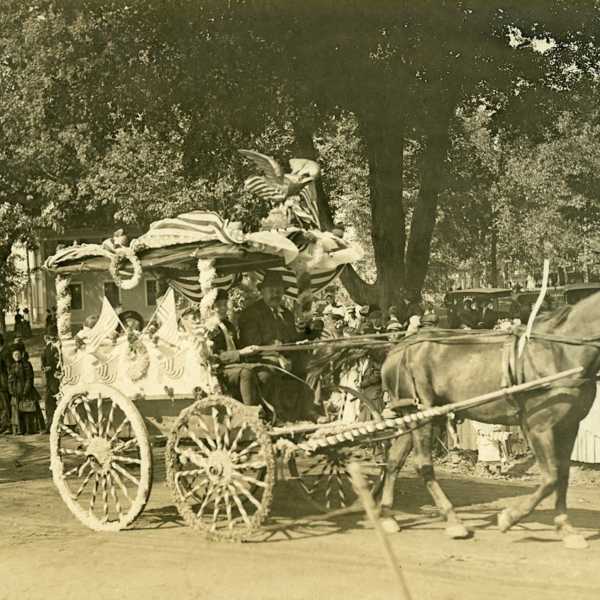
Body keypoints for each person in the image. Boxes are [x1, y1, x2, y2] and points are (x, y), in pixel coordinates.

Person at [238, 270, 318, 421]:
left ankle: (308, 409)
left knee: (312, 364)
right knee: (270, 374)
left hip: (287, 358)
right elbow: (251, 344)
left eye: (279, 291)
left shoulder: (286, 313)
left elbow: (292, 340)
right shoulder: (251, 313)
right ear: (262, 291)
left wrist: (305, 334)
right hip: (260, 359)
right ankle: (276, 416)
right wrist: (278, 357)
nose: (276, 294)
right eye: (271, 290)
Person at [8, 341, 44, 435]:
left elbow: (29, 378)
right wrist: (11, 390)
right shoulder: (12, 366)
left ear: (21, 354)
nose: (16, 356)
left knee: (29, 410)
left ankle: (30, 429)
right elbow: (10, 379)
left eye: (17, 354)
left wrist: (25, 390)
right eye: (14, 354)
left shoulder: (26, 364)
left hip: (26, 390)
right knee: (19, 410)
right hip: (16, 391)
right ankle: (21, 429)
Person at [41, 328, 60, 433]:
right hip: (49, 379)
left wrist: (51, 368)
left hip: (56, 379)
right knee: (49, 403)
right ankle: (50, 426)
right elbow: (44, 361)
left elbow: (59, 362)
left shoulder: (57, 347)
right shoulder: (48, 347)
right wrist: (44, 367)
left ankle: (59, 426)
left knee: (57, 403)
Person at [0, 334, 10, 433]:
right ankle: (3, 423)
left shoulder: (5, 352)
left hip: (4, 383)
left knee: (6, 404)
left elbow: (8, 369)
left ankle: (8, 425)